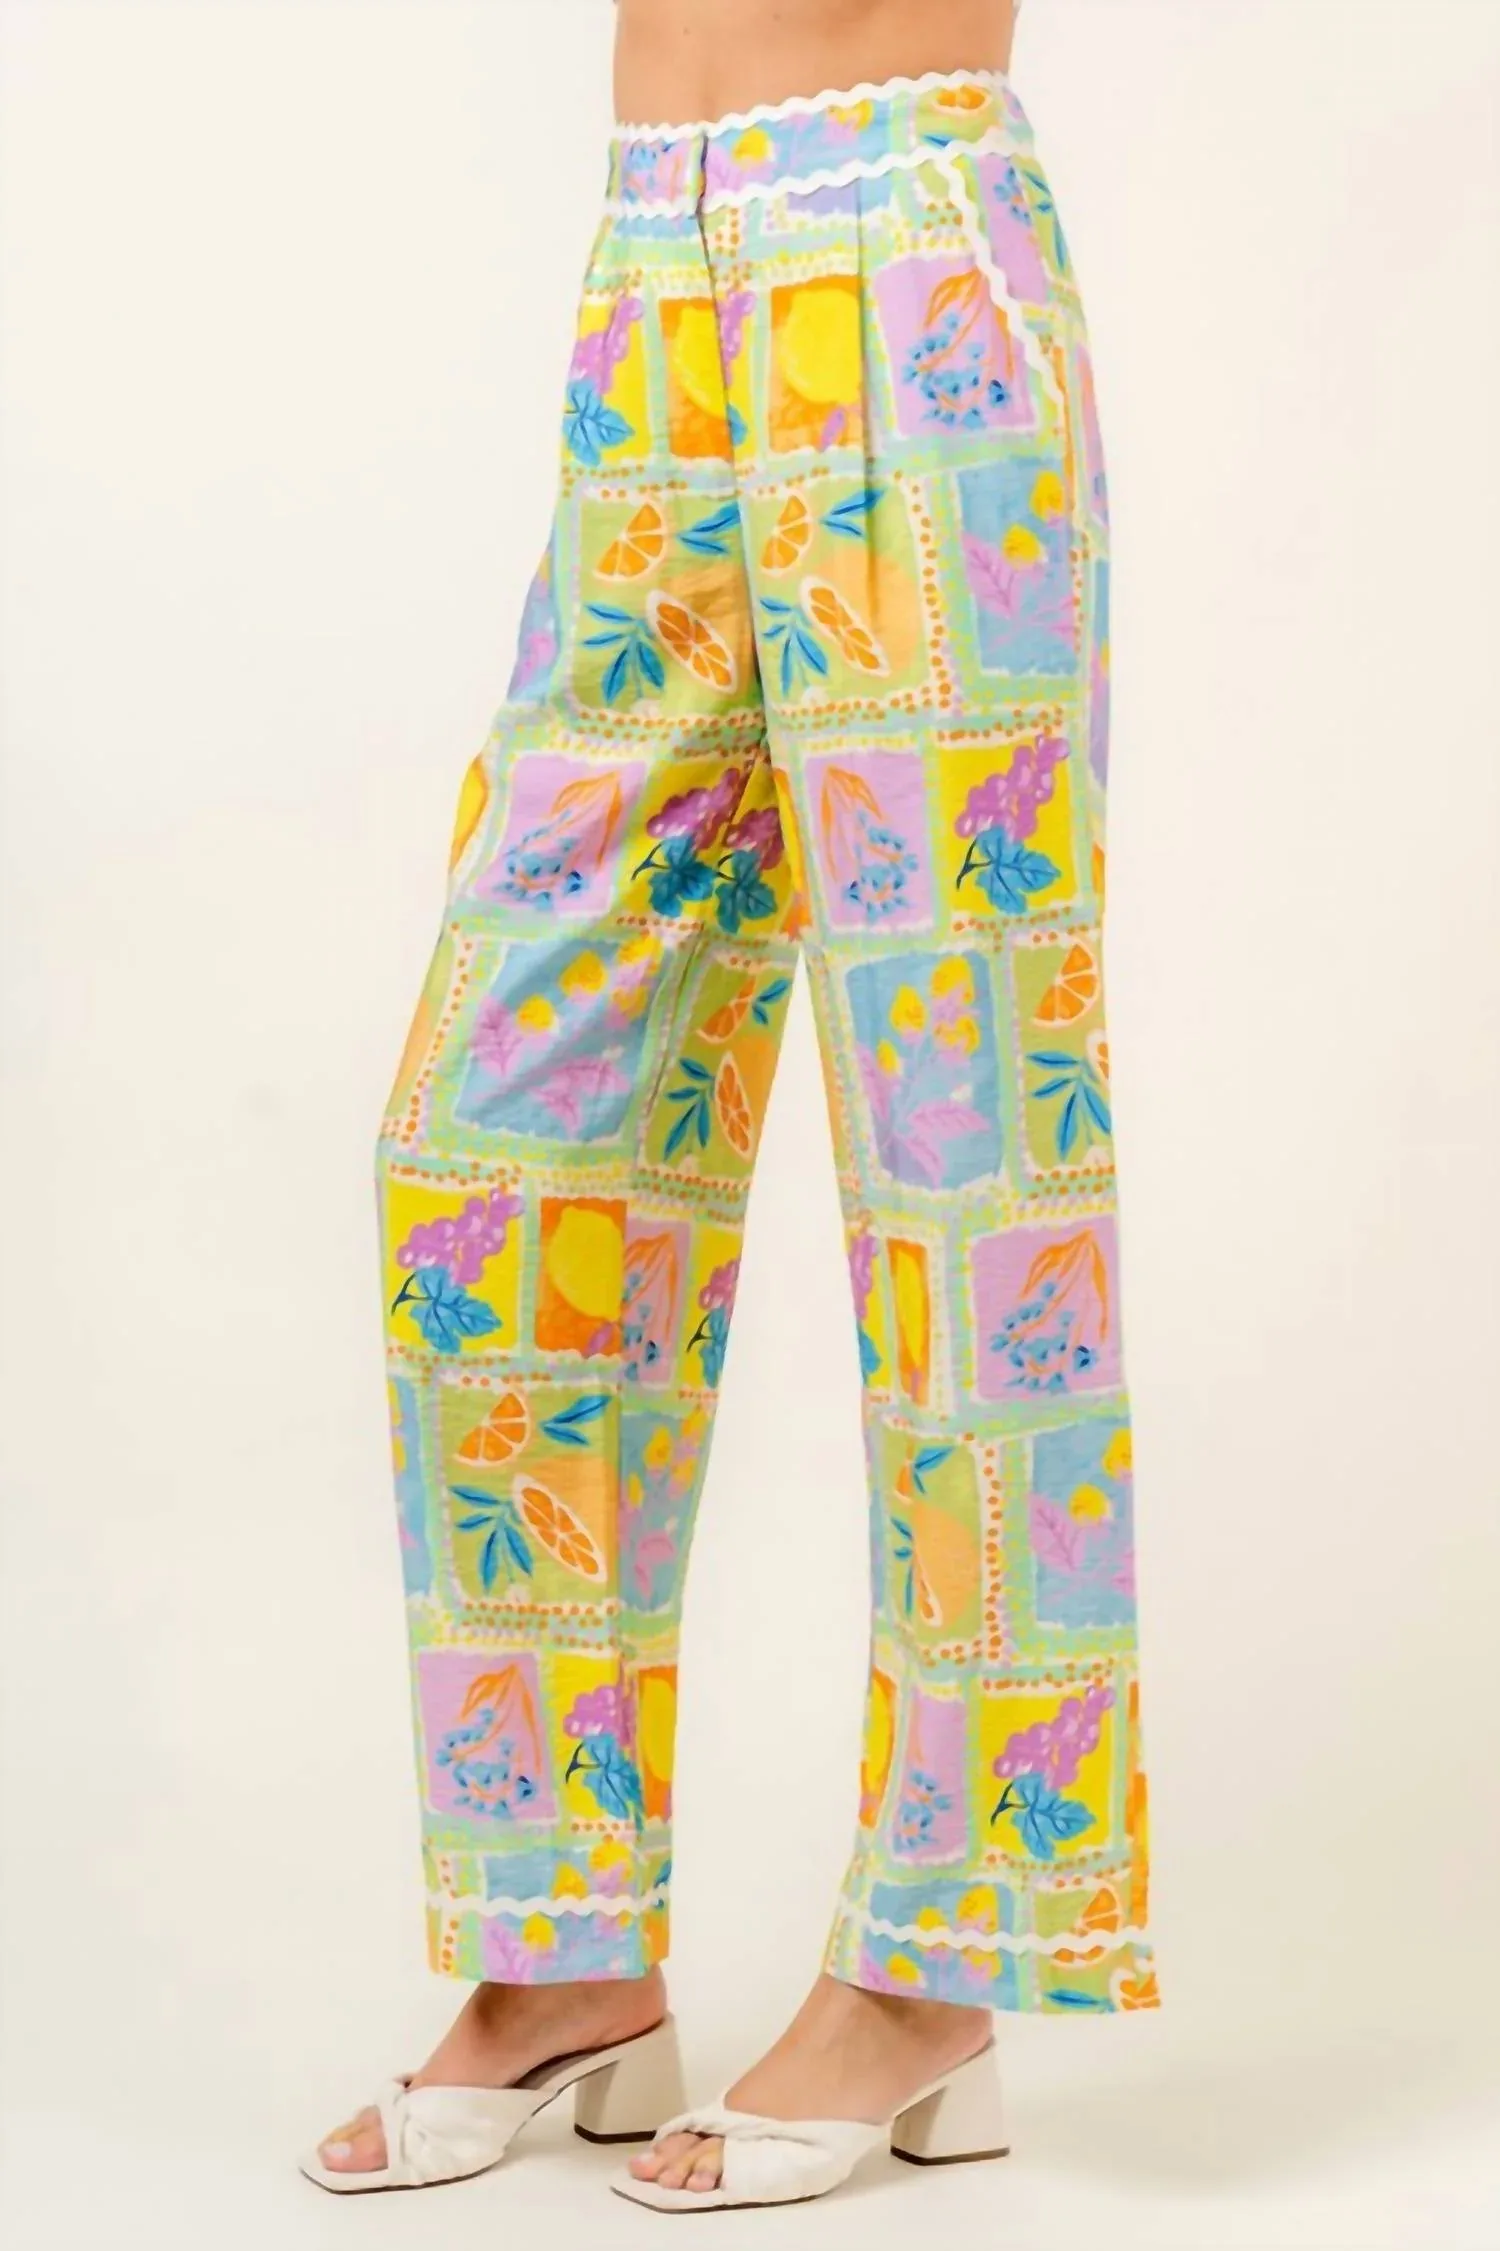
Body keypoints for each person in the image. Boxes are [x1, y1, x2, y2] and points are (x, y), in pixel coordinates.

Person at [303, 0, 1158, 2213]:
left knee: (963, 1169)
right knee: (493, 1142)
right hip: (649, 281)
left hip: (906, 247)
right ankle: (562, 1952)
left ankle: (938, 1964)